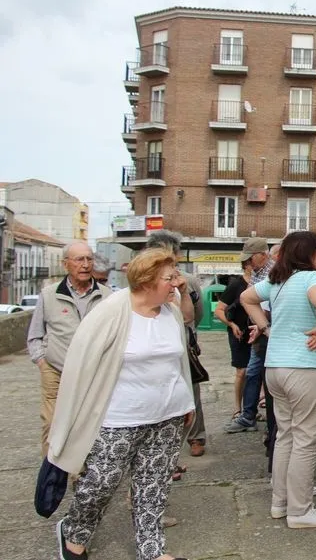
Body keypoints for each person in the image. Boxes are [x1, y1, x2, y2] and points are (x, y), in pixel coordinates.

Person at [48, 248, 195, 560]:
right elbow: (81, 364)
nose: (176, 283)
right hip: (119, 417)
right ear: (146, 281)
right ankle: (73, 532)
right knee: (100, 484)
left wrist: (187, 402)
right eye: (169, 278)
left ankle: (151, 550)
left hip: (168, 415)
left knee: (154, 485)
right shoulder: (111, 312)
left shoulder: (170, 313)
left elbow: (178, 361)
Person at [241, 231, 316, 528]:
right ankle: (300, 510)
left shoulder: (278, 281)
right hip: (307, 367)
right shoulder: (312, 278)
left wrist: (265, 327)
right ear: (309, 253)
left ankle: (280, 502)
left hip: (276, 367)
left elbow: (246, 297)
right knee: (306, 438)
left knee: (285, 435)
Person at [27, 242, 112, 456]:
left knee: (86, 426)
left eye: (89, 259)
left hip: (93, 372)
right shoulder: (49, 295)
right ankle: (52, 473)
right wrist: (42, 362)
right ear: (65, 264)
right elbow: (35, 335)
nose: (85, 265)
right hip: (56, 370)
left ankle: (79, 471)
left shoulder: (107, 296)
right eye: (79, 259)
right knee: (52, 424)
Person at [145, 230, 206, 457]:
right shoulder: (143, 281)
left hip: (182, 345)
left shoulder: (187, 281)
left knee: (190, 389)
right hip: (152, 349)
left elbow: (195, 315)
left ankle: (196, 436)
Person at [225, 238, 273, 435]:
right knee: (253, 373)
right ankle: (249, 416)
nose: (248, 263)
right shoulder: (257, 272)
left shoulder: (272, 273)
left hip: (266, 331)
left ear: (263, 255)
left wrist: (261, 327)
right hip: (259, 330)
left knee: (262, 375)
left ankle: (260, 419)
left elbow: (267, 306)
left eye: (250, 258)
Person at [216, 258, 254, 423]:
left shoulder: (261, 283)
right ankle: (237, 409)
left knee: (255, 372)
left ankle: (250, 409)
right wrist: (232, 325)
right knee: (242, 371)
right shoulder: (236, 285)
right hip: (239, 334)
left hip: (257, 333)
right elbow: (219, 310)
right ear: (246, 266)